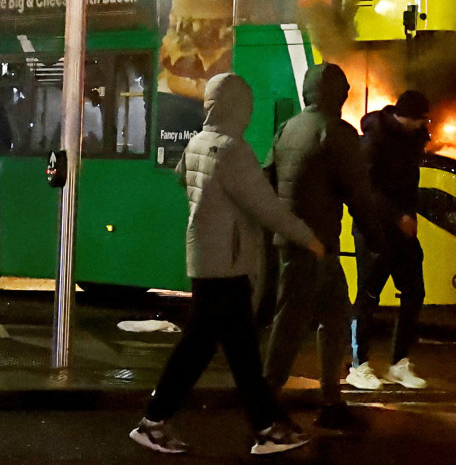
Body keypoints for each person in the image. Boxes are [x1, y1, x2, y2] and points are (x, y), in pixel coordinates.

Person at [129, 73, 322, 456]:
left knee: (240, 351)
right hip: (226, 263)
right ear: (236, 107)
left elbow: (182, 177)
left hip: (207, 256)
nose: (249, 114)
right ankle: (153, 421)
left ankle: (265, 428)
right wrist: (309, 238)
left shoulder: (200, 141)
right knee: (201, 348)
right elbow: (268, 208)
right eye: (247, 106)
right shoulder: (233, 150)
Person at [262, 63, 383, 432]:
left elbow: (268, 176)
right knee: (294, 321)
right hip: (316, 244)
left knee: (331, 316)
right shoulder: (336, 131)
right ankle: (267, 401)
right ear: (337, 94)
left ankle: (330, 399)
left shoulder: (288, 128)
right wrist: (376, 238)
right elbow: (358, 193)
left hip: (296, 240)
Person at [348, 90, 432, 390]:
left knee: (414, 290)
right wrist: (399, 216)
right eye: (422, 119)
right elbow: (367, 188)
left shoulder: (412, 139)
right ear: (406, 116)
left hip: (401, 231)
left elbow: (409, 185)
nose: (425, 125)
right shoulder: (374, 140)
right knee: (368, 295)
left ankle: (399, 362)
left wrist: (408, 215)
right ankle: (359, 366)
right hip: (374, 229)